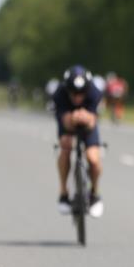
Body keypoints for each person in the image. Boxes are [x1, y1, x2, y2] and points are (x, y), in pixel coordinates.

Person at [53, 65, 104, 217]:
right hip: (67, 123)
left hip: (88, 124)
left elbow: (93, 121)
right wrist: (73, 118)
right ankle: (63, 193)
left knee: (93, 159)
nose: (77, 97)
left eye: (81, 93)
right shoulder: (59, 94)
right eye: (73, 93)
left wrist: (87, 118)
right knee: (66, 145)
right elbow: (64, 121)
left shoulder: (95, 93)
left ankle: (94, 193)